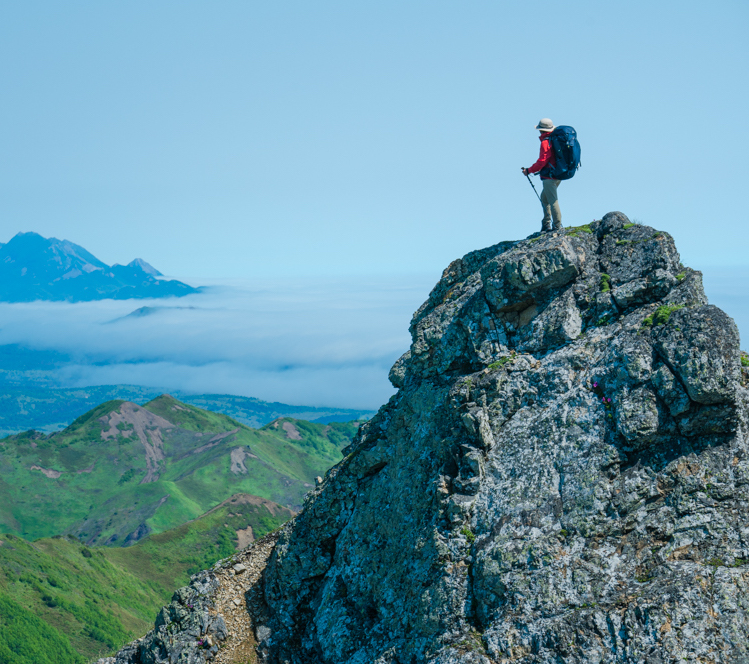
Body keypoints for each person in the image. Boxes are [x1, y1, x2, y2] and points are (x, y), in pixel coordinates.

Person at [522, 118, 562, 233]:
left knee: (552, 200)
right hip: (558, 174)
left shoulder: (546, 142)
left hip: (549, 176)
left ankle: (557, 227)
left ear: (541, 130)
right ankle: (546, 224)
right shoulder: (556, 139)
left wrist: (529, 170)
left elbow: (542, 161)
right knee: (545, 198)